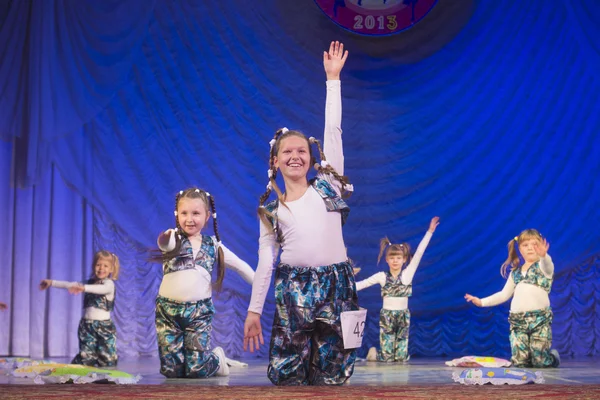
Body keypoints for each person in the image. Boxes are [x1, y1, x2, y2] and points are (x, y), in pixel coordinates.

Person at [244, 41, 358, 386]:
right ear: (275, 160)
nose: (295, 156)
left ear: (311, 157)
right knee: (287, 377)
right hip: (293, 288)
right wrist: (253, 311)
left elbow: (333, 132)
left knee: (333, 375)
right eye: (287, 152)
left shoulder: (328, 186)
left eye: (302, 150)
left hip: (337, 285)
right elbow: (266, 263)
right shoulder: (271, 209)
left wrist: (333, 80)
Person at [154, 187, 255, 378]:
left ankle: (217, 359)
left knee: (196, 370)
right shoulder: (174, 240)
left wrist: (262, 288)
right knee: (171, 371)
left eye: (196, 213)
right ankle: (184, 363)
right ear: (177, 214)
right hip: (167, 312)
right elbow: (163, 243)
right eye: (184, 213)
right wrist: (165, 236)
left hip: (199, 313)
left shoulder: (213, 246)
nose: (189, 219)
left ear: (207, 216)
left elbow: (241, 267)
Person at [465, 229, 560, 368]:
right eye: (525, 245)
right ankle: (524, 360)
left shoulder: (543, 268)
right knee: (520, 362)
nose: (530, 248)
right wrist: (481, 302)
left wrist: (544, 256)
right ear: (520, 249)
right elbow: (504, 294)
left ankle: (552, 358)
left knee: (540, 362)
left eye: (534, 244)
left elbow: (548, 264)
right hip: (517, 321)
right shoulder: (515, 273)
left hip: (539, 320)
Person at [357, 217, 439, 362]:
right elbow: (362, 284)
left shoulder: (407, 275)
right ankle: (375, 354)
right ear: (387, 260)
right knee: (387, 359)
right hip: (387, 316)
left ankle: (390, 354)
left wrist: (430, 232)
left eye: (398, 258)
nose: (395, 261)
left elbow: (419, 252)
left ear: (404, 260)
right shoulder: (382, 276)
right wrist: (342, 285)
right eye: (392, 258)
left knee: (400, 358)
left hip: (403, 316)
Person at [40, 250, 120, 367]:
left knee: (107, 358)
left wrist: (84, 288)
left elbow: (101, 289)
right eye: (98, 265)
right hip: (86, 326)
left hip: (104, 328)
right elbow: (70, 284)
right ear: (93, 266)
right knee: (86, 356)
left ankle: (107, 380)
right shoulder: (88, 283)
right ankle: (82, 379)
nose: (101, 268)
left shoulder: (109, 284)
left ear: (111, 269)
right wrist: (52, 282)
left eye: (105, 266)